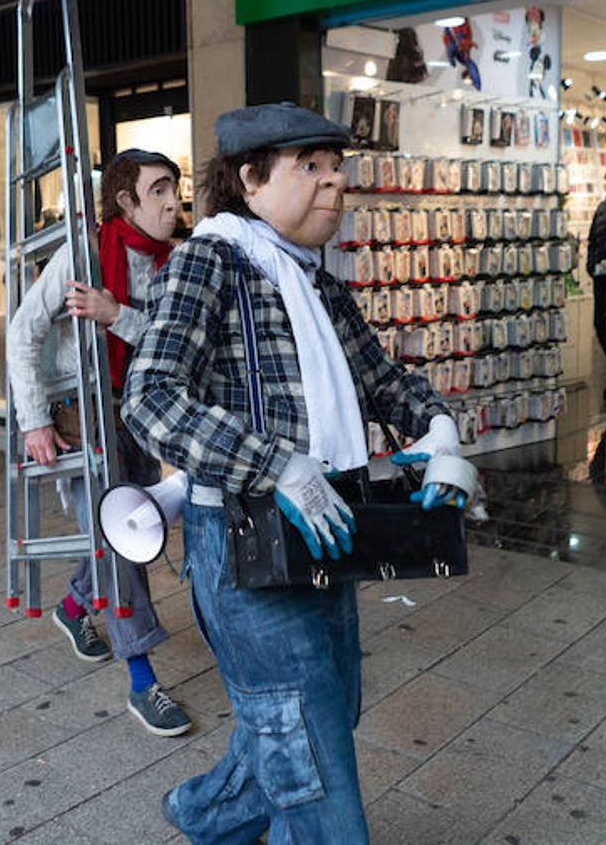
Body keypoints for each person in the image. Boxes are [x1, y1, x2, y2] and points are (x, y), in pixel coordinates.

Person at [124, 104, 470, 841]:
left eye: (336, 166)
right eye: (309, 166)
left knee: (318, 714)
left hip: (328, 532)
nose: (334, 182)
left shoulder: (315, 281)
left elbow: (384, 381)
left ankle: (205, 815)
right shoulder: (209, 262)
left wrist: (440, 430)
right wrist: (274, 462)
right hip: (246, 544)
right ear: (250, 179)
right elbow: (150, 399)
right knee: (310, 751)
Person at [6, 148, 192, 737]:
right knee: (121, 537)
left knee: (137, 529)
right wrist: (33, 420)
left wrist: (118, 315)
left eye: (176, 188)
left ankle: (71, 607)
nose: (173, 201)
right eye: (159, 190)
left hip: (142, 414)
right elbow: (22, 331)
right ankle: (142, 680)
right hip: (81, 415)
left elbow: (172, 342)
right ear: (125, 201)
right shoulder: (85, 253)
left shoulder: (177, 260)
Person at [587, 170, 606, 353]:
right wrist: (592, 265)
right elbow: (592, 240)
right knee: (600, 322)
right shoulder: (602, 207)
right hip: (601, 274)